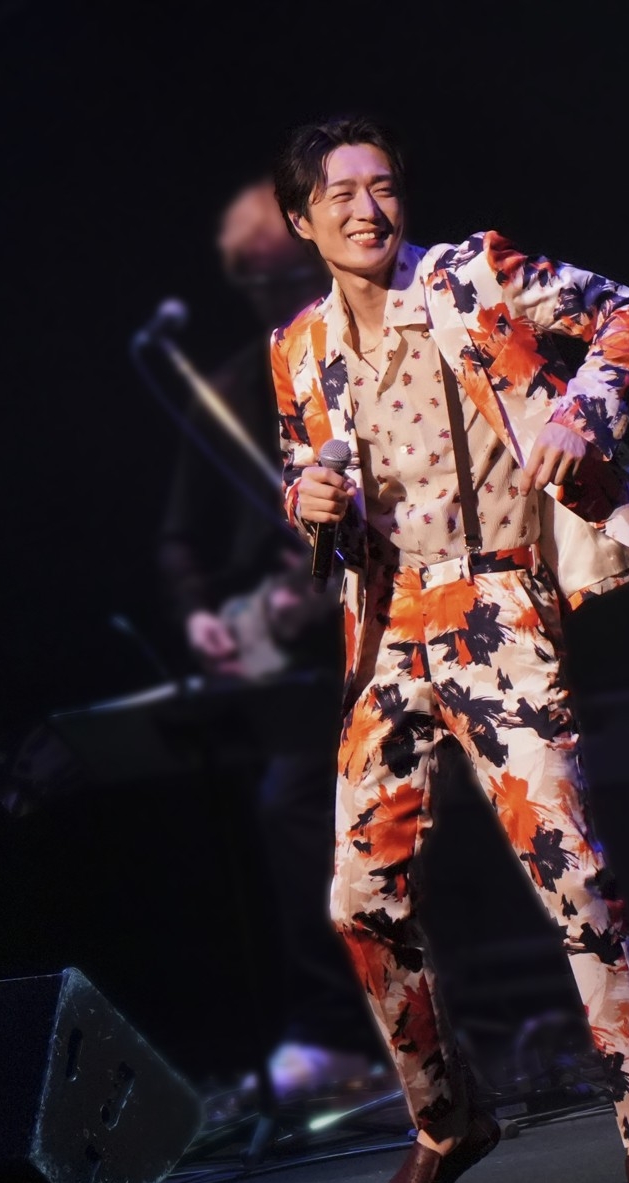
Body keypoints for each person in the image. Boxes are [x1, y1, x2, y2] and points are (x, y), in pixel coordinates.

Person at [270, 114, 629, 1183]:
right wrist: (303, 501)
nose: (367, 209)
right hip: (386, 625)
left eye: (381, 186)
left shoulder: (473, 276)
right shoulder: (299, 347)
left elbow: (628, 310)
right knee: (360, 899)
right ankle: (445, 1116)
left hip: (494, 602)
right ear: (302, 221)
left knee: (571, 874)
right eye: (340, 195)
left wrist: (578, 411)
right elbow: (304, 471)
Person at [153, 182, 379, 1098]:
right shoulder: (237, 383)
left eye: (283, 278)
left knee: (308, 806)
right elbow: (179, 534)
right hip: (287, 650)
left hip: (380, 621)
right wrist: (199, 610)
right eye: (253, 286)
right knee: (279, 806)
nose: (271, 300)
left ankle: (362, 1030)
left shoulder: (366, 352)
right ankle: (333, 1032)